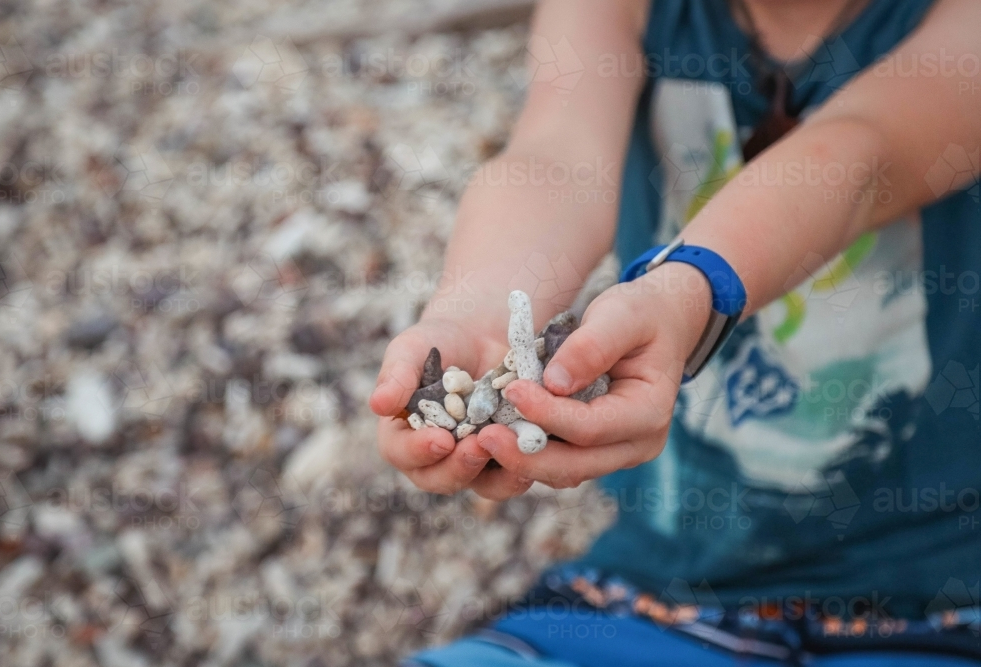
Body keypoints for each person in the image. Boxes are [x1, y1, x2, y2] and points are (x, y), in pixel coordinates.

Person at [370, 0, 981, 664]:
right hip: (663, 590)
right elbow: (555, 158)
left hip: (941, 600)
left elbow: (862, 154)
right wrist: (475, 314)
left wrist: (690, 287)